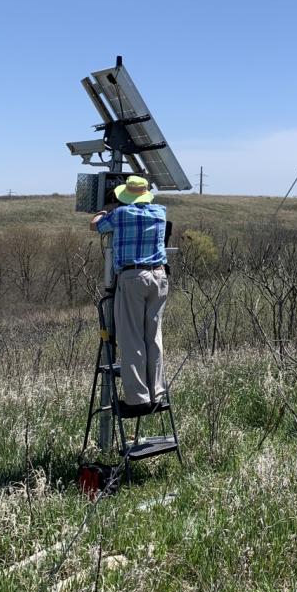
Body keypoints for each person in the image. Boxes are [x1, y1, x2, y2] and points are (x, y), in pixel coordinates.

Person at [91, 175, 169, 417]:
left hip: (133, 277)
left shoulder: (121, 215)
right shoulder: (160, 212)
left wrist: (107, 208)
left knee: (131, 338)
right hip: (159, 277)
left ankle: (137, 399)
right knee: (153, 337)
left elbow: (95, 225)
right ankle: (157, 393)